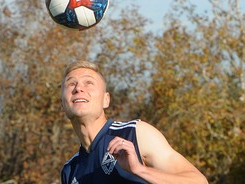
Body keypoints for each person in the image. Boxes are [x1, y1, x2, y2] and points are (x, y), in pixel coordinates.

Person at [60, 60, 208, 184]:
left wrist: (140, 170)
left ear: (106, 100)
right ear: (63, 104)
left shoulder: (135, 133)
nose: (79, 88)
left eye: (89, 83)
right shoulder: (70, 170)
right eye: (71, 84)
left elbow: (199, 181)